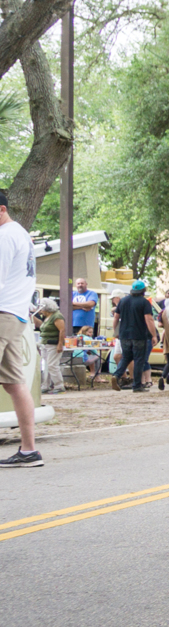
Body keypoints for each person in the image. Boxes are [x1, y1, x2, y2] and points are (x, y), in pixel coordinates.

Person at [0, 190, 40, 468]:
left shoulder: (5, 236)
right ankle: (29, 451)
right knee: (15, 384)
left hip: (3, 313)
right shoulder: (22, 233)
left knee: (15, 384)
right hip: (16, 314)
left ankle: (29, 450)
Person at [110, 279, 159, 392]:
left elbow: (116, 317)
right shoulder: (144, 302)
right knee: (139, 359)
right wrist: (154, 335)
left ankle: (117, 375)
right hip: (139, 335)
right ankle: (137, 386)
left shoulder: (123, 301)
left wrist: (116, 332)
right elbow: (149, 319)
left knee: (126, 357)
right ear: (143, 291)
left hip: (124, 335)